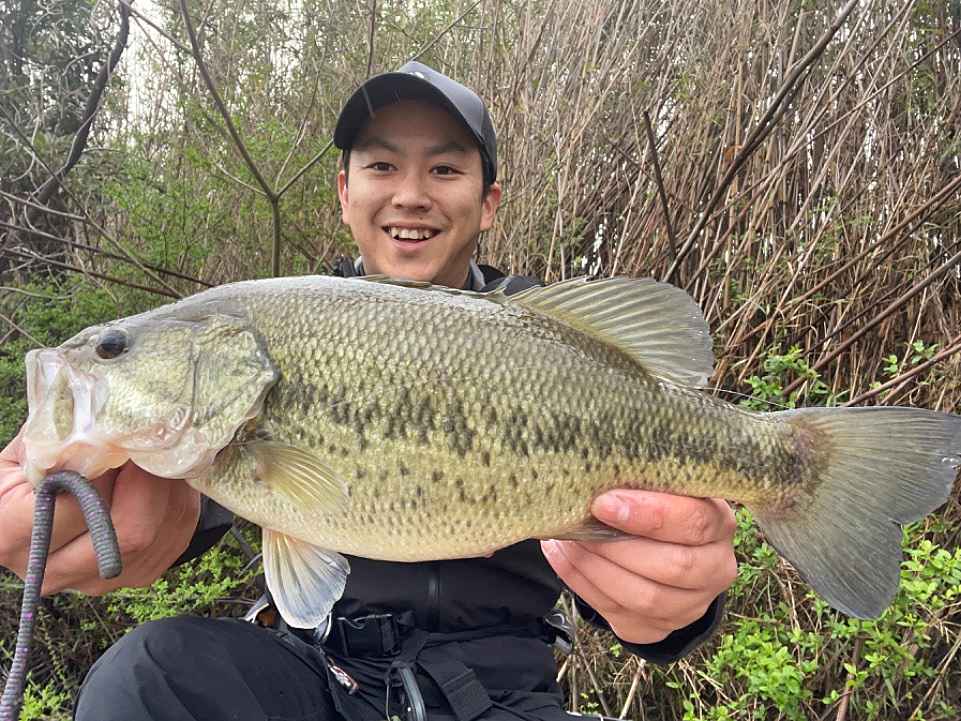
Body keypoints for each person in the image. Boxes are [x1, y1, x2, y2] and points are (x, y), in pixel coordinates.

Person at [0, 62, 737, 721]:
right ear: (345, 191)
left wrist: (674, 608)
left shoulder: (555, 341)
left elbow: (654, 560)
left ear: (488, 201)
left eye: (444, 169)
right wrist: (120, 515)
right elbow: (187, 511)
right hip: (313, 674)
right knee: (150, 678)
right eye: (382, 165)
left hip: (505, 690)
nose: (411, 195)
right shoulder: (277, 346)